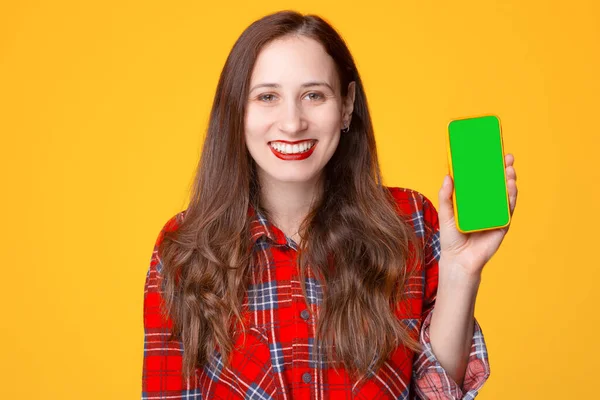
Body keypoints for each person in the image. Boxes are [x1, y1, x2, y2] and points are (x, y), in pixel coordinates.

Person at [142, 9, 518, 400]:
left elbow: (437, 395)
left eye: (314, 95)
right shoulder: (183, 249)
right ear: (237, 111)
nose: (292, 123)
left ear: (346, 104)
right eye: (267, 96)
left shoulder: (410, 222)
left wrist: (460, 270)